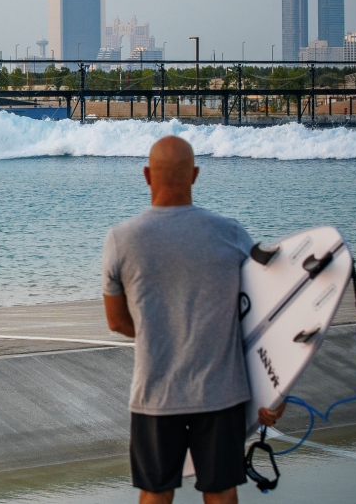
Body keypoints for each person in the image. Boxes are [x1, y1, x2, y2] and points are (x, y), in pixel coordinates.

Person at [102, 136, 285, 504]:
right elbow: (266, 316)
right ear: (196, 175)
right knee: (221, 493)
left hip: (156, 395)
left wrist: (161, 330)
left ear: (146, 176)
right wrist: (276, 391)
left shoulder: (121, 239)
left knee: (156, 495)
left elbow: (117, 323)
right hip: (221, 395)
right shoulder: (231, 234)